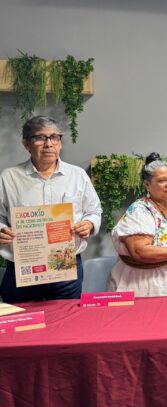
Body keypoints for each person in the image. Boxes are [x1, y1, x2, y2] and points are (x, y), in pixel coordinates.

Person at [0, 115, 102, 302]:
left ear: (60, 143)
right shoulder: (9, 177)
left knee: (67, 318)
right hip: (23, 270)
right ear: (26, 143)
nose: (49, 144)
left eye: (54, 137)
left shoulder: (77, 175)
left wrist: (89, 223)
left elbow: (94, 211)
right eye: (40, 137)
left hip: (66, 269)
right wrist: (1, 230)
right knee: (21, 319)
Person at [107, 153, 167, 297]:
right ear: (147, 185)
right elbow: (139, 251)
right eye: (162, 180)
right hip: (144, 286)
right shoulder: (140, 210)